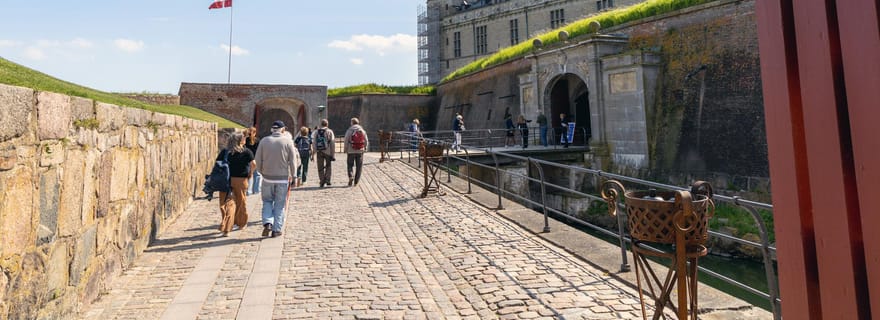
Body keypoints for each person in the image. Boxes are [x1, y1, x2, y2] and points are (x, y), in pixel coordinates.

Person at [254, 120, 300, 238]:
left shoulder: (264, 141)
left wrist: (261, 171)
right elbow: (293, 161)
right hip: (282, 178)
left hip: (267, 178)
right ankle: (276, 229)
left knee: (267, 201)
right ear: (283, 129)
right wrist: (294, 176)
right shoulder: (288, 141)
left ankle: (268, 222)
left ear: (272, 129)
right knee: (279, 204)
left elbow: (257, 159)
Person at [217, 131, 255, 237]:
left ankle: (226, 227)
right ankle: (241, 223)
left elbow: (218, 164)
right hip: (241, 180)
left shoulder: (225, 151)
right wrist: (250, 173)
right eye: (243, 138)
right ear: (239, 140)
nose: (245, 139)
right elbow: (254, 164)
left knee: (228, 204)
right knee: (241, 202)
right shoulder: (246, 151)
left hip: (226, 180)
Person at [344, 117, 369, 187]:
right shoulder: (362, 131)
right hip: (360, 151)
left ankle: (351, 176)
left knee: (350, 165)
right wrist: (365, 148)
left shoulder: (349, 130)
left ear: (352, 123)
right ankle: (356, 181)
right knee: (359, 166)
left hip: (351, 150)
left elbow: (346, 140)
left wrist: (345, 149)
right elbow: (366, 141)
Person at [312, 119, 336, 188]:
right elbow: (332, 143)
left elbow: (314, 142)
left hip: (319, 151)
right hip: (328, 151)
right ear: (327, 124)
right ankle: (328, 180)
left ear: (321, 124)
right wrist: (333, 153)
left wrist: (315, 151)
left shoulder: (317, 132)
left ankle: (322, 180)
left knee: (320, 167)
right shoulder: (330, 131)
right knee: (328, 166)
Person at [244, 127, 261, 195]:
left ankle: (248, 191)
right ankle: (256, 190)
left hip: (248, 159)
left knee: (249, 175)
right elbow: (259, 151)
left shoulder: (246, 140)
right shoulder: (257, 141)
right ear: (255, 133)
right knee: (257, 175)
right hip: (256, 159)